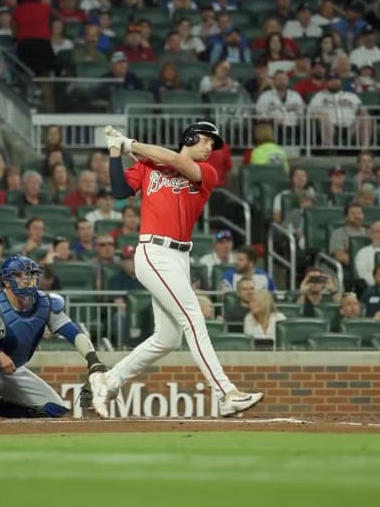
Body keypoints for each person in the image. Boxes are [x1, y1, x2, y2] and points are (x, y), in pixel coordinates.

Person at [89, 121, 263, 418]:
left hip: (179, 256)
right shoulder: (148, 166)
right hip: (154, 251)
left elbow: (173, 160)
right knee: (193, 318)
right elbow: (119, 190)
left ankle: (108, 379)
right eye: (207, 141)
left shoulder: (206, 172)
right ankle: (226, 393)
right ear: (191, 137)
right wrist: (115, 152)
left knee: (167, 339)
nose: (210, 148)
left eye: (212, 144)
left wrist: (130, 143)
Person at [0, 256, 107, 419]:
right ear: (6, 281)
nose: (26, 279)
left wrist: (93, 360)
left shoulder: (46, 303)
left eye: (30, 274)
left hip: (11, 369)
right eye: (19, 275)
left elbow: (73, 332)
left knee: (54, 409)